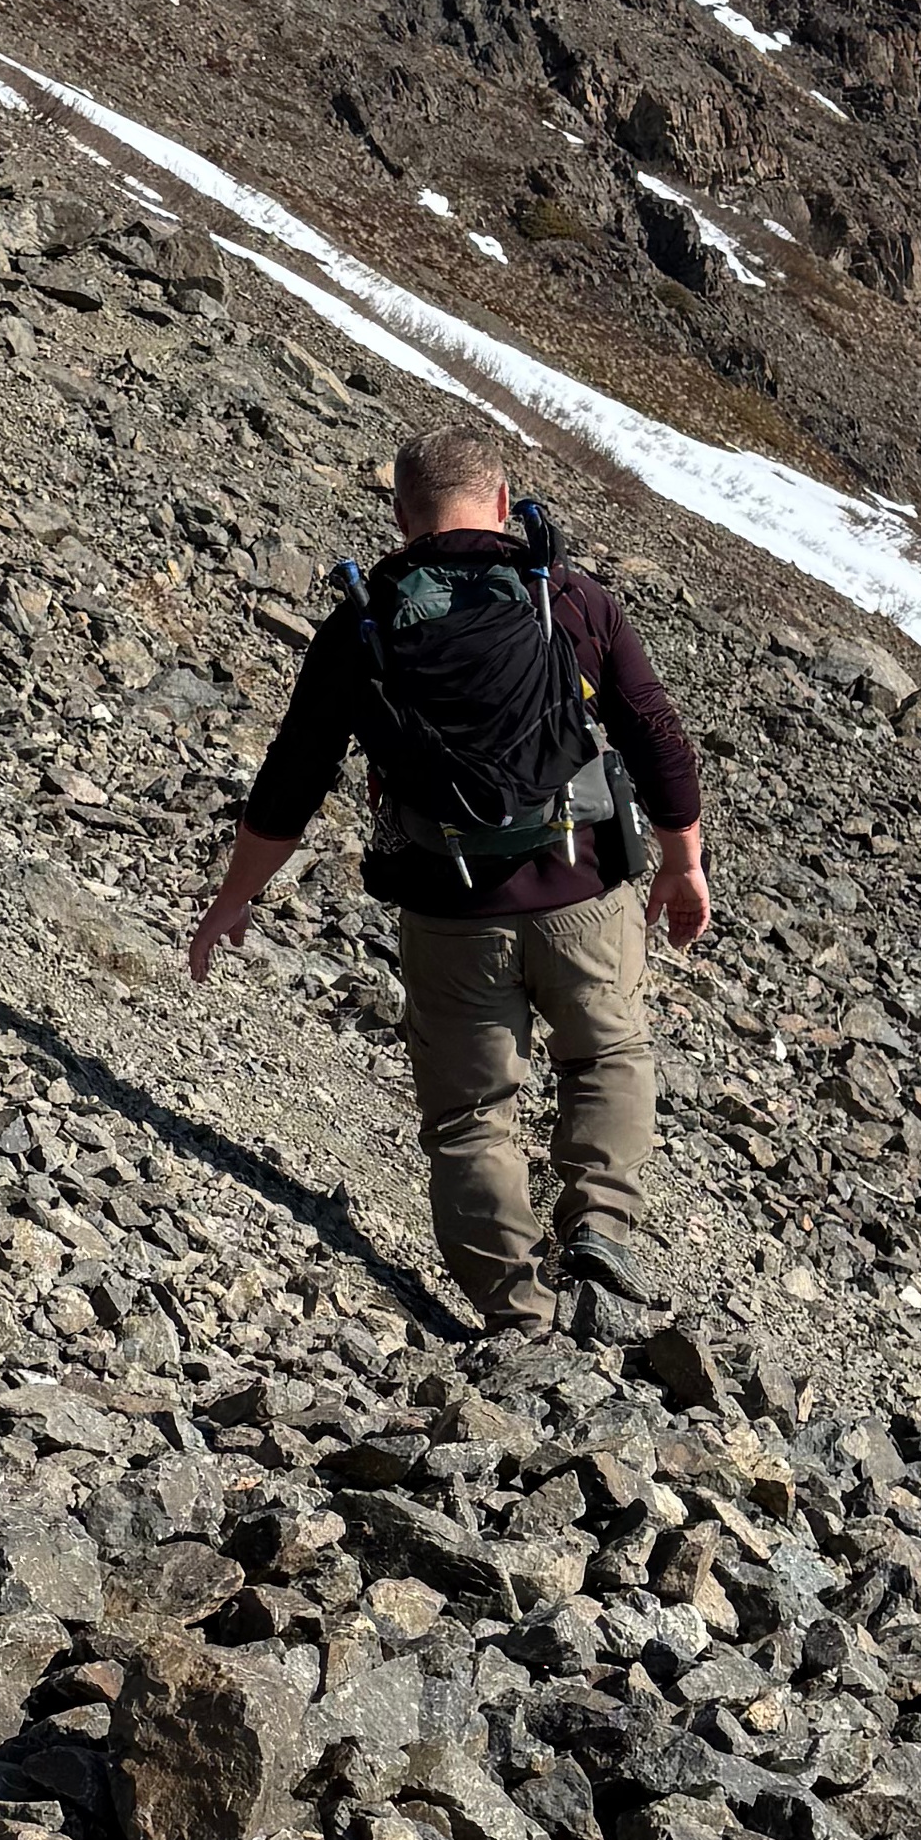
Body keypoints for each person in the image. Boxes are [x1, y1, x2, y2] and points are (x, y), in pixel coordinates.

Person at [187, 418, 709, 1339]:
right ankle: (598, 1229)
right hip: (584, 893)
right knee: (609, 1054)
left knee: (471, 1115)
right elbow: (658, 738)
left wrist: (234, 899)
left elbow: (290, 784)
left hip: (449, 911)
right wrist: (684, 862)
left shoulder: (362, 628)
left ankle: (521, 1319)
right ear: (504, 503)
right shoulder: (573, 600)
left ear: (400, 515)